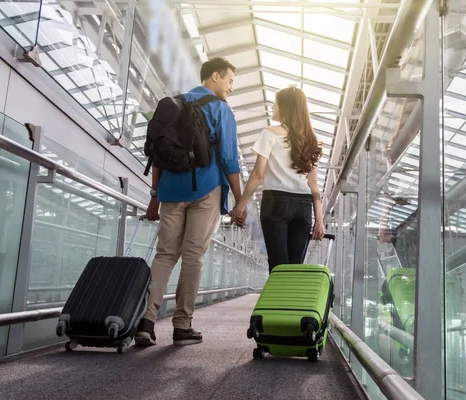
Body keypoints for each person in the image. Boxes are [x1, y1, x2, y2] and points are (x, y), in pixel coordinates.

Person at [135, 57, 245, 347]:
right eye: (230, 80)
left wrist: (154, 196)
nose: (231, 88)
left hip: (171, 189)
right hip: (206, 189)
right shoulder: (220, 109)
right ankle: (182, 325)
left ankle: (146, 320)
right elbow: (229, 159)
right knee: (193, 256)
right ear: (215, 77)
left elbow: (156, 156)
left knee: (164, 255)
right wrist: (239, 199)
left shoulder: (174, 104)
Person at [229, 86, 324, 273]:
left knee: (278, 267)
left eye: (276, 103)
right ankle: (289, 302)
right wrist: (319, 220)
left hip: (276, 203)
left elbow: (258, 174)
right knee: (295, 270)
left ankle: (277, 302)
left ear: (285, 107)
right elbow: (313, 185)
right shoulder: (311, 140)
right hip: (304, 207)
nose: (273, 107)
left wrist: (240, 207)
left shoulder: (270, 133)